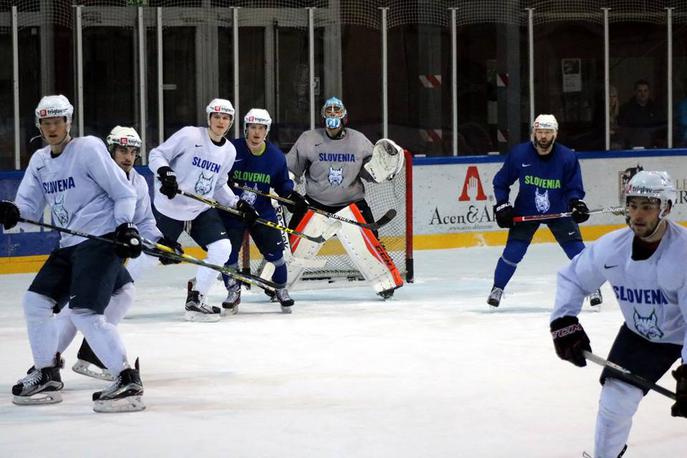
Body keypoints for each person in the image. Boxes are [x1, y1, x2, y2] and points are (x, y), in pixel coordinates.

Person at [0, 95, 144, 412]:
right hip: (69, 244)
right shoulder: (39, 161)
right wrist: (12, 210)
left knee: (84, 313)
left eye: (57, 122)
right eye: (46, 123)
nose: (51, 128)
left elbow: (123, 192)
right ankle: (47, 371)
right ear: (39, 125)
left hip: (100, 238)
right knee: (34, 301)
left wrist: (126, 228)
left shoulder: (88, 149)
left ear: (68, 122)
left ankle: (127, 378)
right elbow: (28, 204)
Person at [550, 170, 687, 458]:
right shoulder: (611, 248)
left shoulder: (683, 253)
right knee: (614, 405)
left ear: (666, 209)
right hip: (639, 335)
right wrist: (565, 322)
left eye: (647, 207)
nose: (637, 215)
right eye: (632, 205)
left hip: (682, 333)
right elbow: (573, 278)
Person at [56, 126, 184, 380]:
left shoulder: (137, 182)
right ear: (110, 151)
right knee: (83, 307)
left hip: (106, 254)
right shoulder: (95, 177)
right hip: (84, 250)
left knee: (116, 296)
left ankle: (71, 357)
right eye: (122, 150)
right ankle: (50, 362)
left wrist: (162, 243)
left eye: (133, 151)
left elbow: (145, 221)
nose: (128, 156)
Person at [148, 98, 258, 322]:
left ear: (230, 122)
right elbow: (156, 154)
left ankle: (196, 299)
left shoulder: (227, 151)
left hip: (200, 208)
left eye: (225, 118)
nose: (220, 121)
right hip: (170, 206)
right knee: (146, 257)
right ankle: (111, 294)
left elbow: (218, 185)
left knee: (222, 248)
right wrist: (165, 173)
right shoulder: (190, 135)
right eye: (216, 116)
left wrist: (237, 203)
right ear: (209, 118)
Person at [286, 96, 404, 298]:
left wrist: (385, 168)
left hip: (352, 204)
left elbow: (372, 174)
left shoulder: (359, 141)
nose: (333, 115)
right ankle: (277, 283)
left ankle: (386, 283)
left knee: (370, 245)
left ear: (345, 117)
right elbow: (291, 170)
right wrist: (286, 191)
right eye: (329, 111)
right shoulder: (308, 139)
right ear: (323, 116)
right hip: (315, 204)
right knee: (292, 247)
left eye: (337, 111)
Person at [488, 114, 602, 308]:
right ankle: (497, 288)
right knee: (513, 252)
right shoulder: (519, 154)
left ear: (555, 134)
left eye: (547, 132)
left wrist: (576, 203)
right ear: (534, 133)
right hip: (526, 209)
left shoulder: (567, 157)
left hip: (559, 210)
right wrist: (502, 204)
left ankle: (592, 288)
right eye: (540, 132)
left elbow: (574, 187)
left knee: (577, 252)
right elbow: (501, 182)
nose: (543, 136)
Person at [220, 108, 305, 314]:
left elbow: (283, 184)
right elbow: (218, 176)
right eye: (253, 128)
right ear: (246, 129)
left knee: (277, 255)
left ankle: (281, 289)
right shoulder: (231, 150)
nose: (257, 133)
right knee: (227, 255)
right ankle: (233, 290)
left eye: (261, 128)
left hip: (261, 210)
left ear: (266, 131)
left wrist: (291, 197)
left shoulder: (275, 157)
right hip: (234, 209)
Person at [617, 79, 665, 149]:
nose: (643, 94)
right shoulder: (626, 109)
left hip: (652, 149)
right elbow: (622, 130)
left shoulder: (656, 109)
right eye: (640, 91)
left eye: (645, 91)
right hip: (631, 149)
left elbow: (661, 129)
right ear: (635, 92)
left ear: (649, 92)